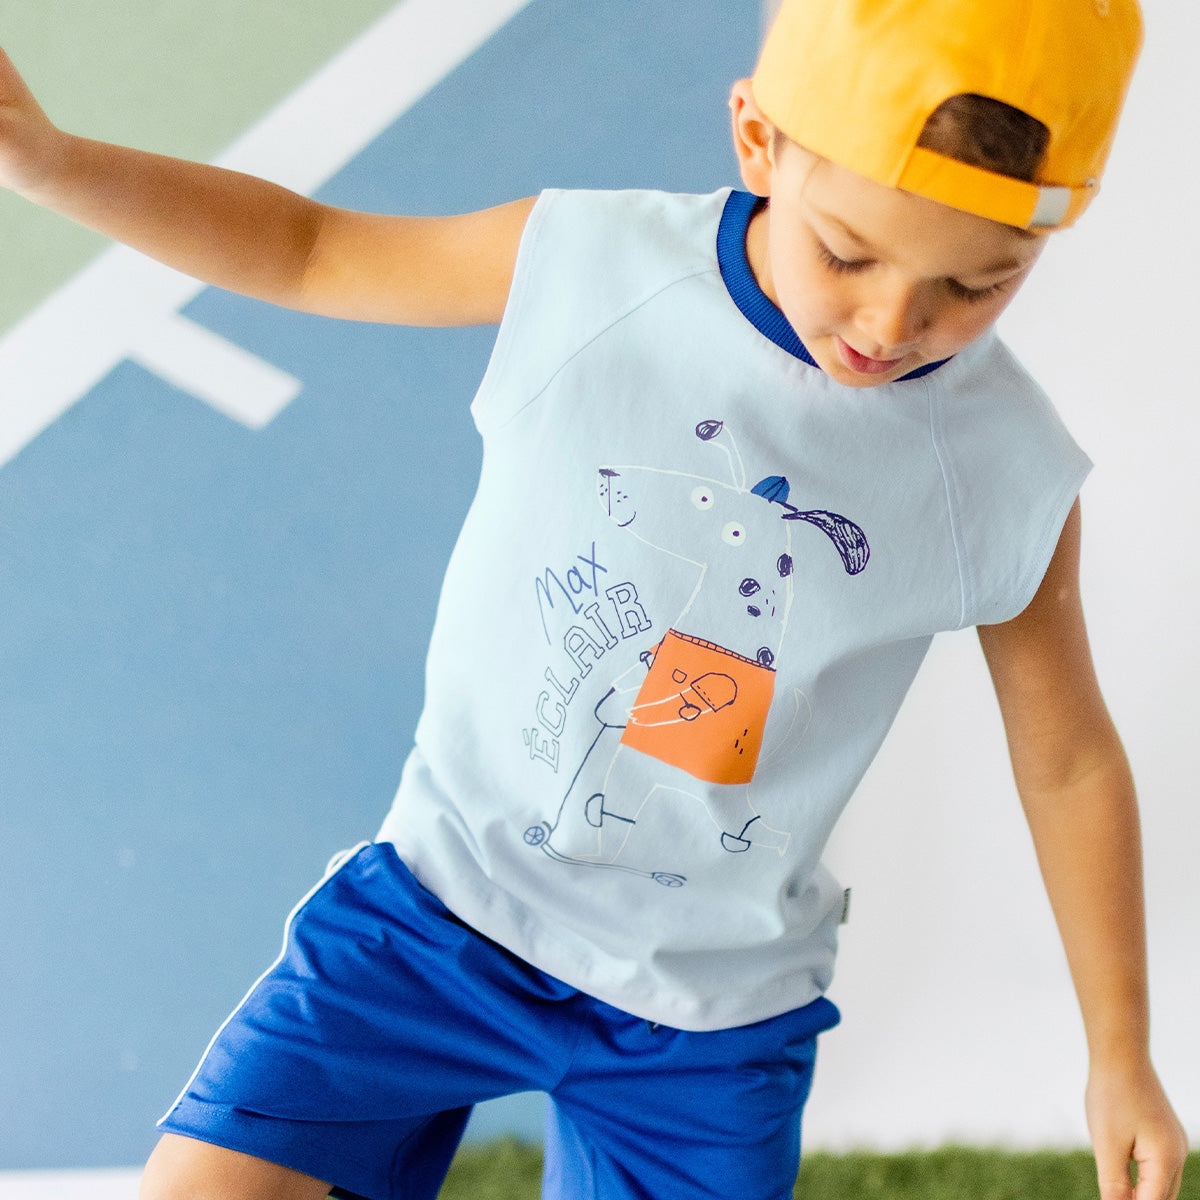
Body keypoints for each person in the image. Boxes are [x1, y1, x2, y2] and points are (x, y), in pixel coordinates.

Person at [0, 0, 1189, 1197]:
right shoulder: (592, 267)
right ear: (758, 139)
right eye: (848, 254)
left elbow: (1069, 759)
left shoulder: (1003, 467)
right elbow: (311, 250)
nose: (892, 325)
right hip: (437, 916)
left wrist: (1119, 1052)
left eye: (977, 287)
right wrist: (49, 164)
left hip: (710, 1018)